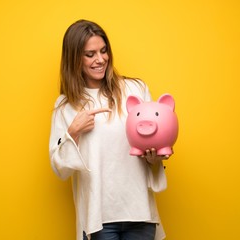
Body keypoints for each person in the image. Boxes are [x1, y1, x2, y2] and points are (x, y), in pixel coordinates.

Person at [49, 19, 171, 240]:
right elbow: (60, 169)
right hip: (99, 219)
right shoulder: (66, 106)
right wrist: (73, 132)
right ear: (75, 58)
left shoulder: (135, 90)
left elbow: (153, 143)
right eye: (90, 54)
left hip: (140, 213)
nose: (100, 59)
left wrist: (155, 158)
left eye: (104, 51)